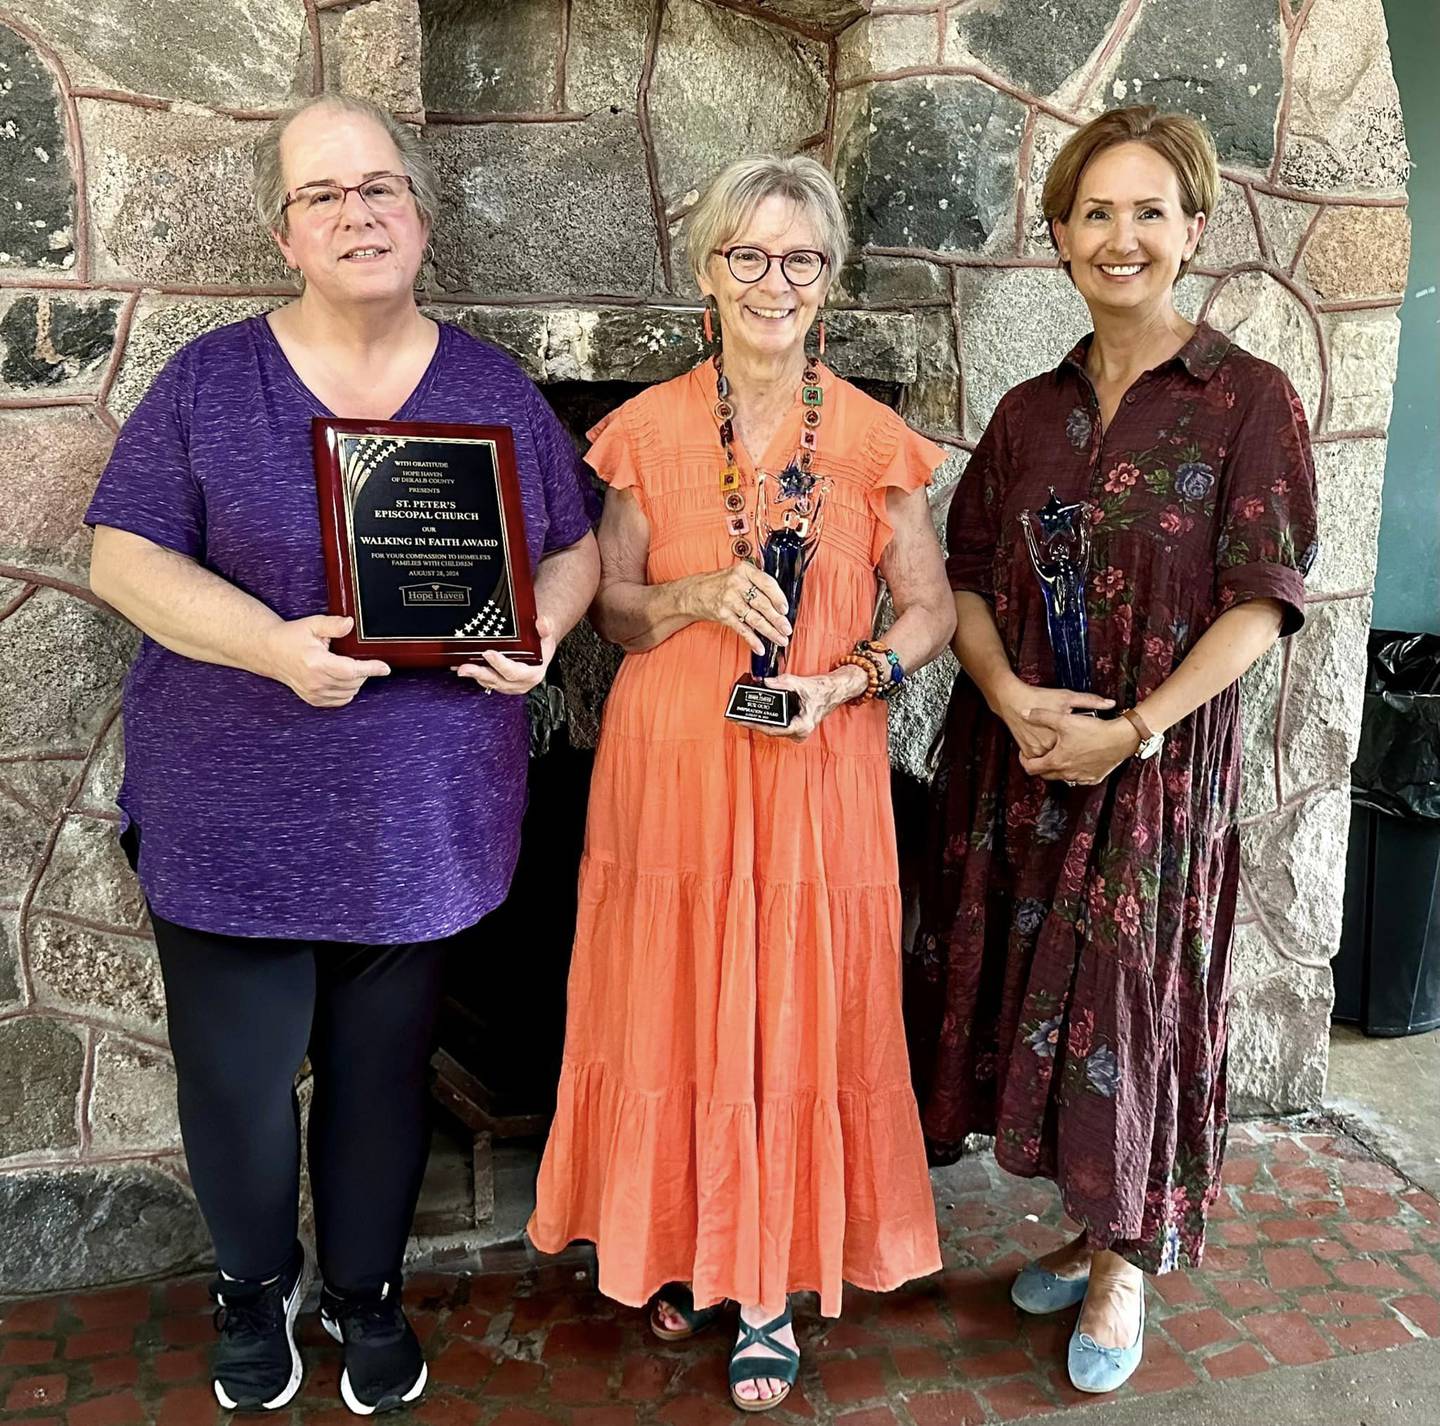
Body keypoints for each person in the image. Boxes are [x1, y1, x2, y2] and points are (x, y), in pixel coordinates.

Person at [84, 95, 599, 1416]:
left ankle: (362, 1290)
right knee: (244, 1085)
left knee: (382, 1082)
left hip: (422, 822)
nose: (357, 213)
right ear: (285, 232)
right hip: (232, 816)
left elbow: (575, 541)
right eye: (324, 195)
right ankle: (252, 1289)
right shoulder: (209, 381)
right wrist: (271, 648)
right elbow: (122, 557)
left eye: (380, 188)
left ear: (420, 217)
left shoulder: (488, 388)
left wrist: (542, 628)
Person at [527, 155, 954, 1412]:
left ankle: (764, 1281)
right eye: (749, 256)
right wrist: (691, 595)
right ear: (708, 269)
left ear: (830, 281)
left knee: (793, 1009)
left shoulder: (875, 440)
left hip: (815, 764)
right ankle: (673, 1238)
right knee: (671, 1000)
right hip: (670, 769)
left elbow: (928, 607)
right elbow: (606, 606)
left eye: (801, 260)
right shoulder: (646, 428)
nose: (775, 282)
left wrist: (854, 675)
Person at [906, 104, 1319, 1393]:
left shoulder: (1251, 399)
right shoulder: (1028, 414)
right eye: (1095, 212)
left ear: (1193, 231)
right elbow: (965, 570)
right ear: (1062, 237)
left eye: (1149, 211)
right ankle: (1086, 1223)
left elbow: (1262, 602)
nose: (1121, 236)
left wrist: (1133, 731)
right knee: (1046, 988)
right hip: (1021, 756)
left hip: (1153, 775)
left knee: (1130, 1001)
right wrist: (1007, 690)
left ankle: (1126, 1255)